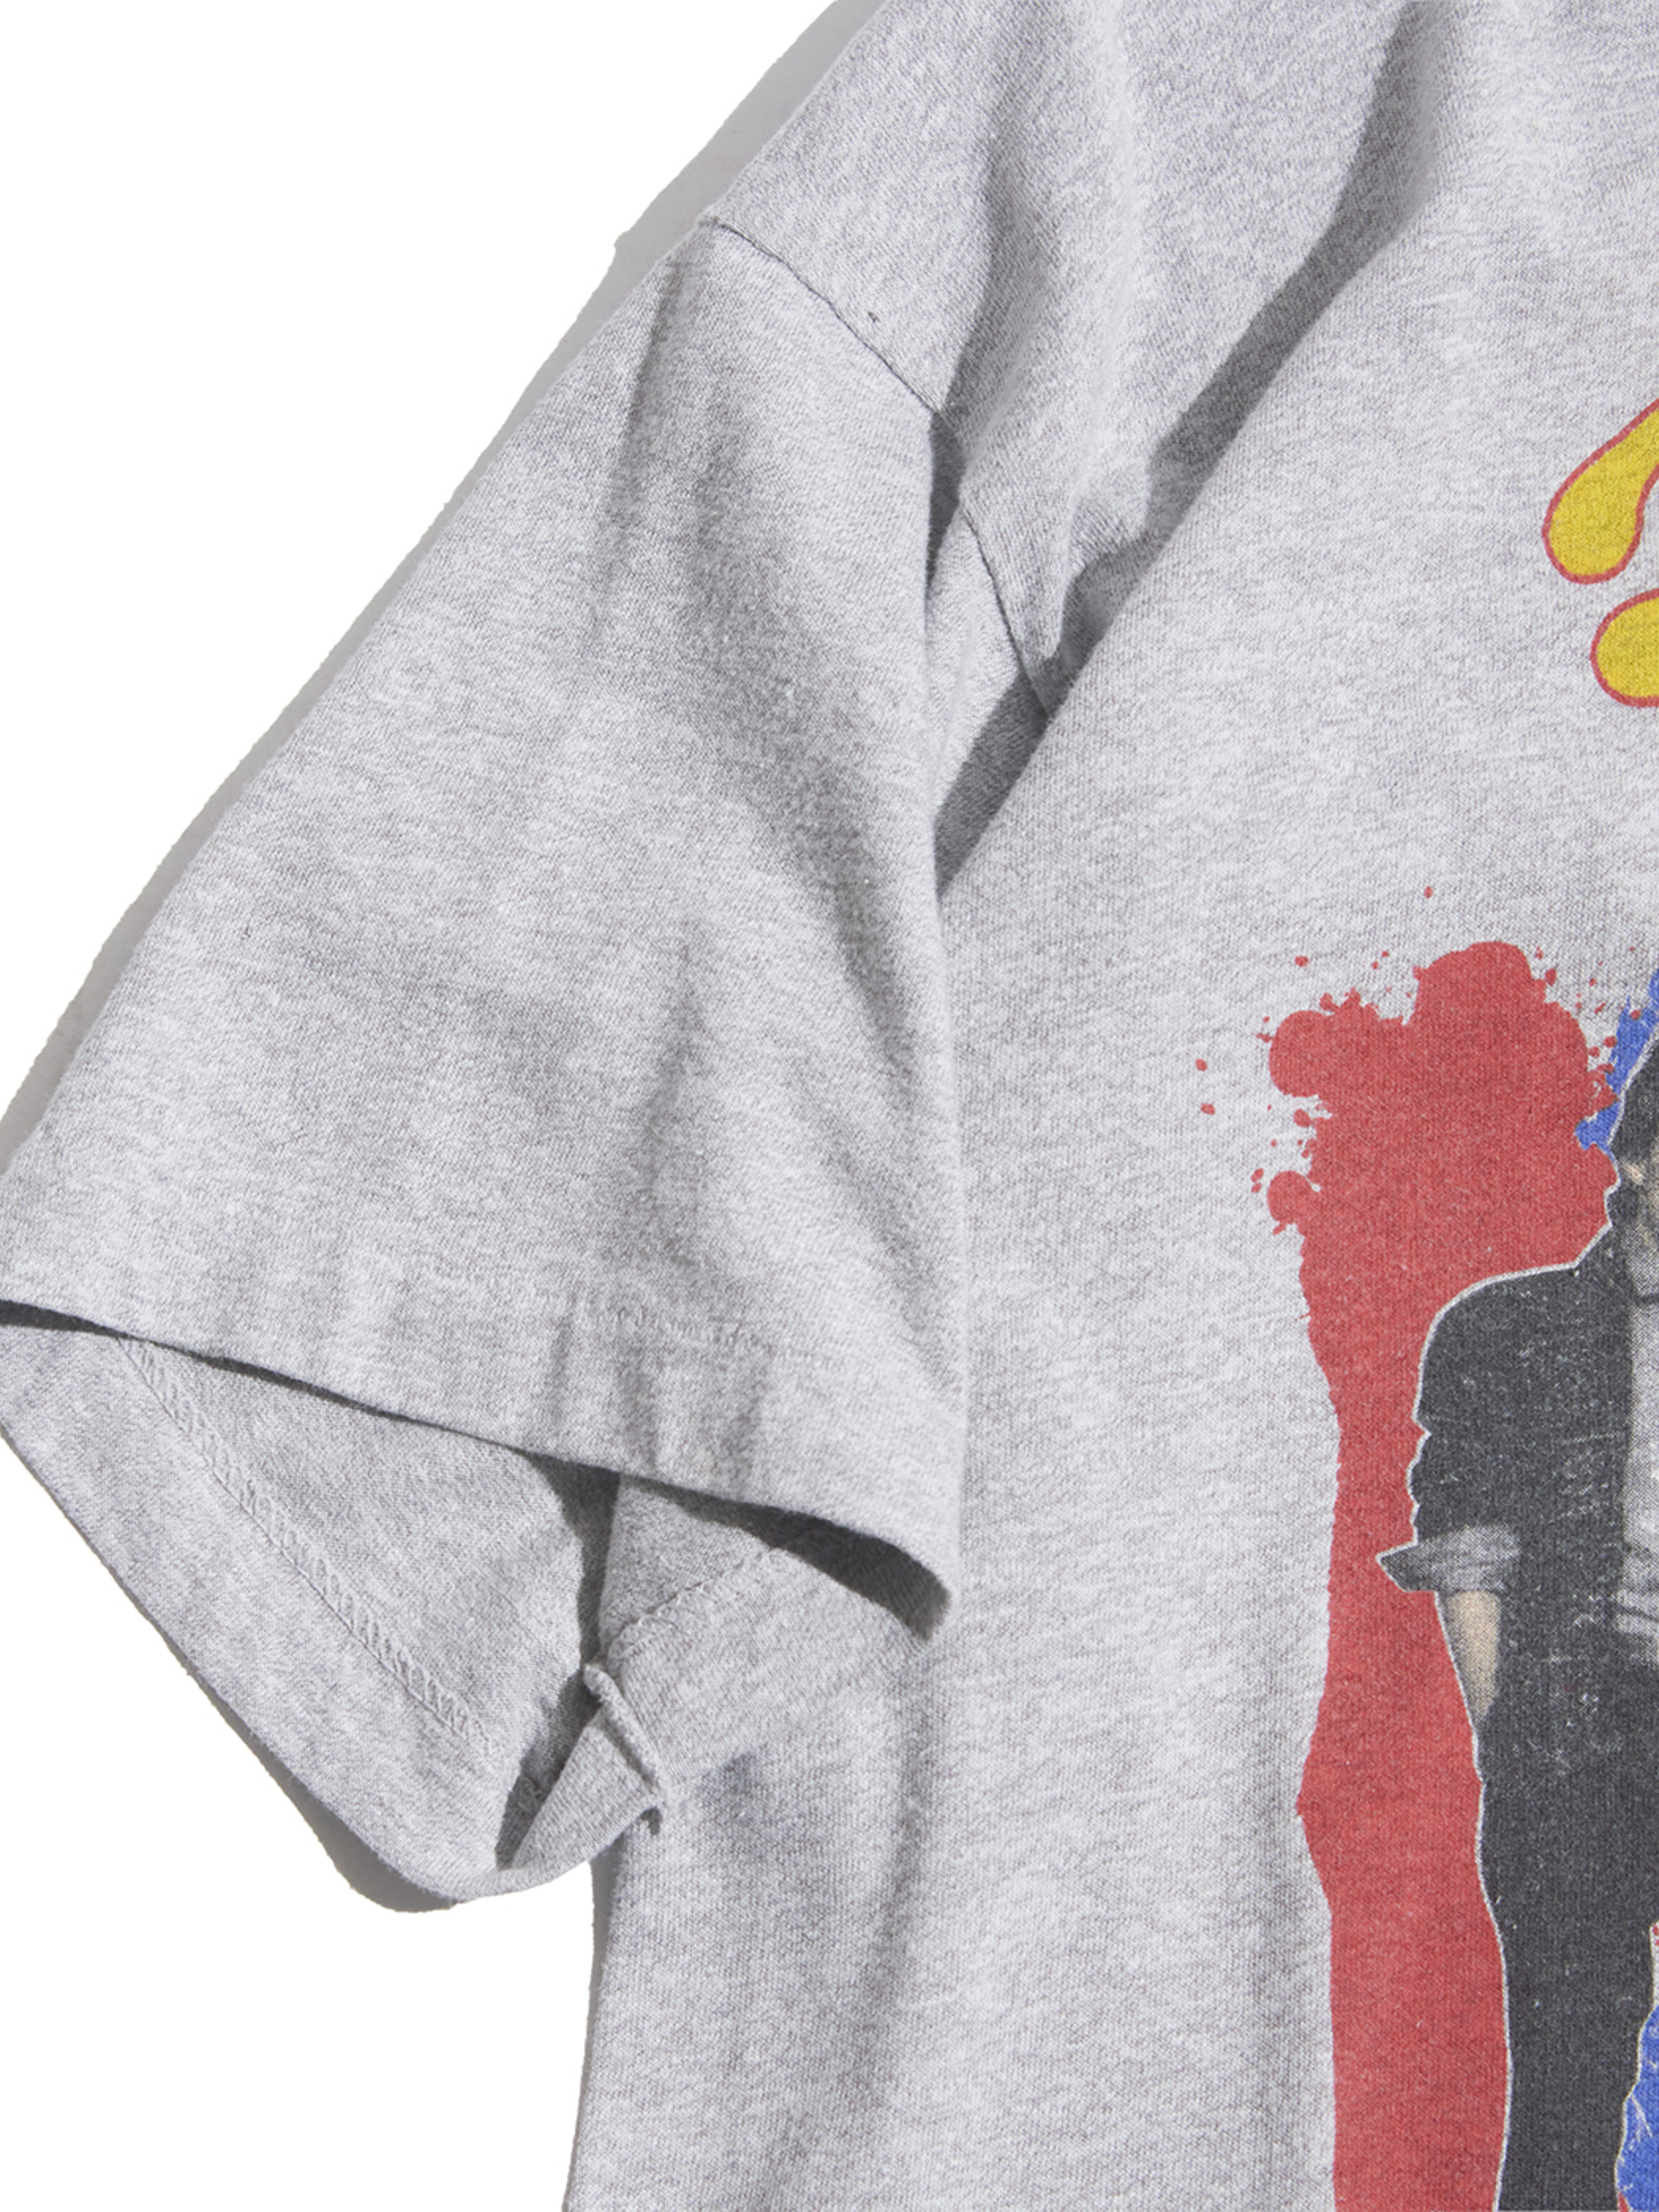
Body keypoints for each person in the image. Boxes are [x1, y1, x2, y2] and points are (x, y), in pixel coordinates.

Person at [1382, 1039, 1659, 2210]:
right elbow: (1467, 1544)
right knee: (1569, 2085)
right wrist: (1512, 1730)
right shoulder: (1509, 1330)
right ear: (1639, 1160)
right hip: (1574, 1731)